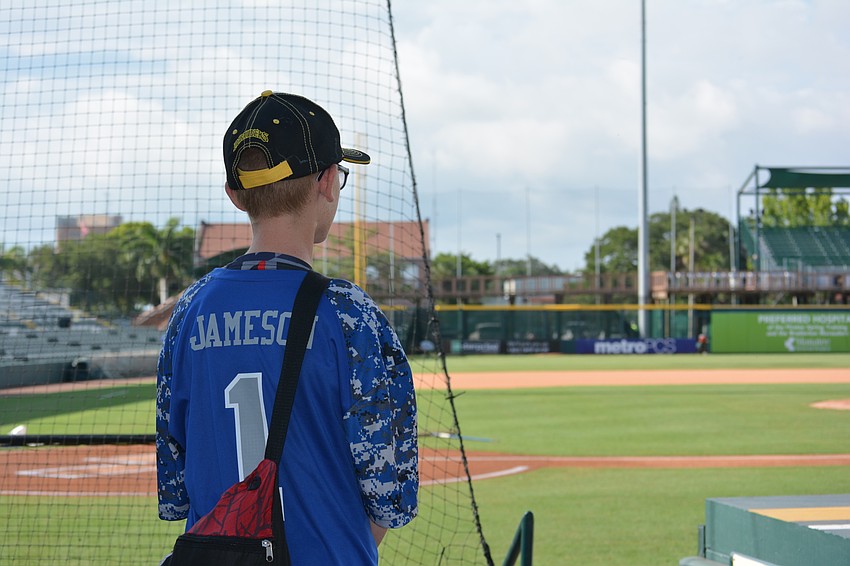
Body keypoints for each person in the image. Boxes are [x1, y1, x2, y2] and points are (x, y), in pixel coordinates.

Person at [156, 90, 418, 565]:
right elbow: (390, 494)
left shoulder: (189, 310)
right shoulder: (349, 313)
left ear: (234, 194)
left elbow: (175, 490)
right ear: (328, 181)